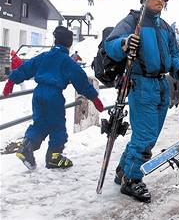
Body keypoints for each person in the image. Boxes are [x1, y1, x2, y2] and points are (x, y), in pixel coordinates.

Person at [104, 0, 179, 203]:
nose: (160, 1)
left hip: (162, 85)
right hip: (141, 84)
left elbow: (173, 54)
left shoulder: (164, 27)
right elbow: (111, 45)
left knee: (149, 136)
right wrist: (125, 44)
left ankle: (123, 171)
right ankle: (132, 180)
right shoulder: (133, 21)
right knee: (145, 137)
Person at [2, 26, 104, 170]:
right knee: (57, 125)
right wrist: (95, 98)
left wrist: (11, 81)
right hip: (54, 95)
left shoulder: (44, 56)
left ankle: (27, 146)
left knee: (40, 123)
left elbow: (26, 68)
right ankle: (54, 157)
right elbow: (81, 81)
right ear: (68, 44)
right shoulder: (67, 61)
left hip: (38, 94)